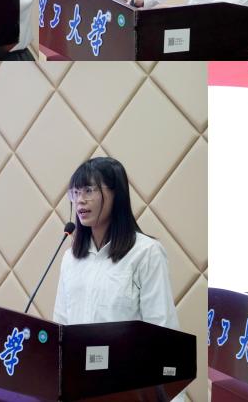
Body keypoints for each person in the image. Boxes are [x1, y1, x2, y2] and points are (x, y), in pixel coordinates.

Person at [53, 157, 187, 401]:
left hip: (126, 389)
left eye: (89, 190)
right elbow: (60, 330)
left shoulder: (146, 253)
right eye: (75, 192)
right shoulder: (70, 259)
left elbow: (163, 335)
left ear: (117, 194)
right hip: (79, 389)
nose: (80, 200)